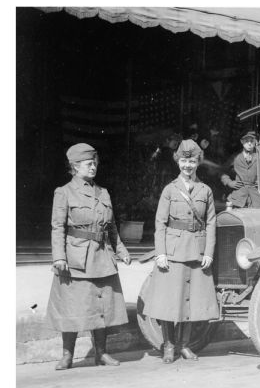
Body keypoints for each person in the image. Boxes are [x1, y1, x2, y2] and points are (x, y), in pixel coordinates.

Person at [47, 143, 131, 370]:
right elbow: (57, 227)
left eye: (94, 163)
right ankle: (67, 355)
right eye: (88, 164)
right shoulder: (63, 192)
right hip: (76, 258)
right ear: (75, 167)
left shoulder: (103, 192)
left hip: (102, 255)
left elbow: (111, 227)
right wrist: (59, 257)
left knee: (102, 305)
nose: (93, 167)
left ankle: (102, 353)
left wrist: (121, 251)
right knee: (71, 306)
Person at [143, 139, 219, 363]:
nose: (188, 165)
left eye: (192, 161)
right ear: (178, 162)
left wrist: (209, 253)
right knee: (170, 301)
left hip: (196, 250)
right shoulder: (170, 190)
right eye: (184, 161)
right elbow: (160, 223)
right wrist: (161, 253)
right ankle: (168, 346)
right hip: (174, 251)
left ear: (198, 163)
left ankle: (184, 345)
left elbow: (211, 222)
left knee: (190, 300)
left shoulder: (205, 191)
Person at [220, 131, 260, 208]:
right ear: (242, 142)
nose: (249, 143)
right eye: (246, 141)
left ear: (255, 142)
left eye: (252, 141)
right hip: (238, 199)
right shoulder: (236, 157)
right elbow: (222, 172)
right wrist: (229, 182)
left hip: (256, 199)